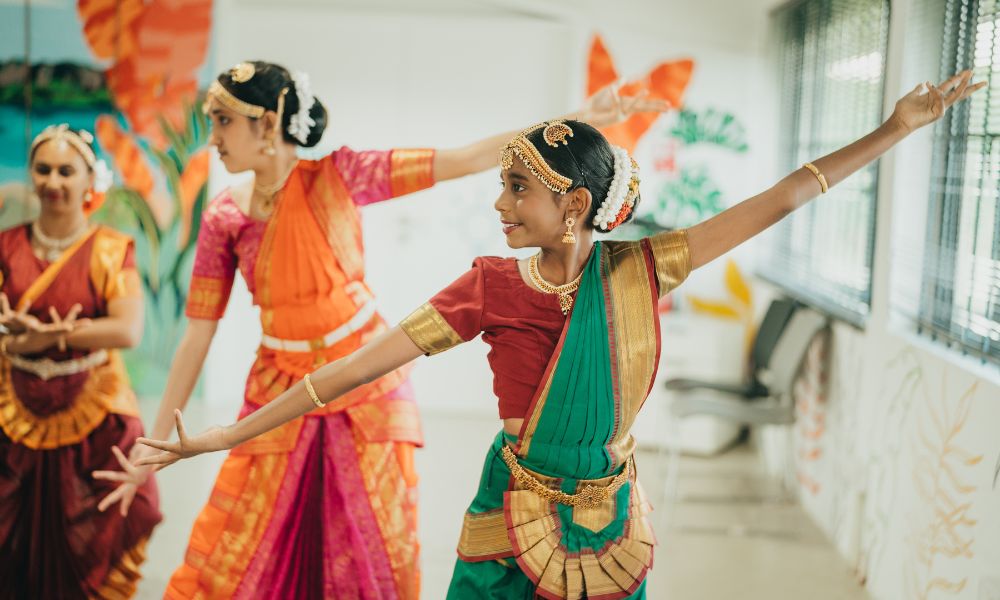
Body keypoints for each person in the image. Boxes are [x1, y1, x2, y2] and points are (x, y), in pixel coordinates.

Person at [96, 60, 665, 598]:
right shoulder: (224, 216)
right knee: (243, 540)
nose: (212, 135)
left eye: (222, 120)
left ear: (266, 123)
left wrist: (579, 118)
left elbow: (464, 158)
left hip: (367, 386)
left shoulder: (343, 174)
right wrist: (152, 443)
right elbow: (198, 332)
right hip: (277, 379)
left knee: (368, 546)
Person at [0, 124, 161, 598]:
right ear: (31, 175)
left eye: (66, 171)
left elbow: (126, 329)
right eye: (44, 169)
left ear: (89, 179)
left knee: (96, 536)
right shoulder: (6, 245)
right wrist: (18, 346)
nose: (54, 182)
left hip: (94, 413)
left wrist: (52, 337)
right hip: (13, 409)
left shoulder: (111, 250)